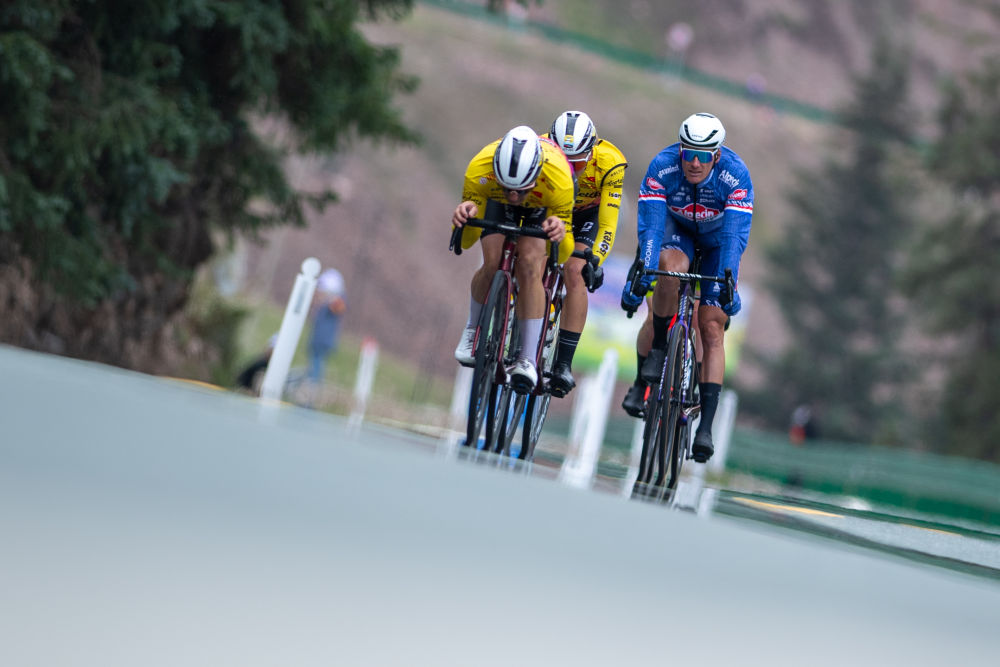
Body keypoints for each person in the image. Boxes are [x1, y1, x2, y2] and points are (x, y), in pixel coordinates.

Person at [620, 112, 753, 463]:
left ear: (717, 155)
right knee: (669, 272)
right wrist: (645, 271)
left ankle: (705, 428)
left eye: (703, 156)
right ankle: (655, 355)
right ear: (680, 150)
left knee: (711, 326)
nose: (694, 162)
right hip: (676, 233)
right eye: (688, 153)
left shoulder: (735, 176)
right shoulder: (662, 167)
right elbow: (651, 227)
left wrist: (727, 283)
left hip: (716, 245)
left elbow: (733, 238)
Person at [452, 125, 574, 393]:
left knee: (530, 265)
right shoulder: (479, 168)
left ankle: (527, 358)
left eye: (521, 191)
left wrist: (558, 229)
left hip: (542, 206)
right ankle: (472, 331)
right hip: (496, 203)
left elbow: (563, 253)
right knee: (492, 261)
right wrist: (465, 214)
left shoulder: (559, 179)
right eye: (508, 189)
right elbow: (466, 233)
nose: (515, 197)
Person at [542, 110, 627, 397]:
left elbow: (608, 224)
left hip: (586, 217)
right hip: (552, 207)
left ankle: (563, 364)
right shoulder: (538, 150)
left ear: (591, 152)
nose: (569, 167)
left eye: (577, 162)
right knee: (533, 257)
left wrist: (596, 259)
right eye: (562, 158)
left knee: (575, 271)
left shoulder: (609, 163)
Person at [306, 268, 347, 392]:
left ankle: (312, 391)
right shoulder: (326, 302)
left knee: (317, 366)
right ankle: (310, 388)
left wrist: (330, 298)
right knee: (313, 365)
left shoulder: (336, 302)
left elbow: (338, 307)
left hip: (323, 340)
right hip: (317, 339)